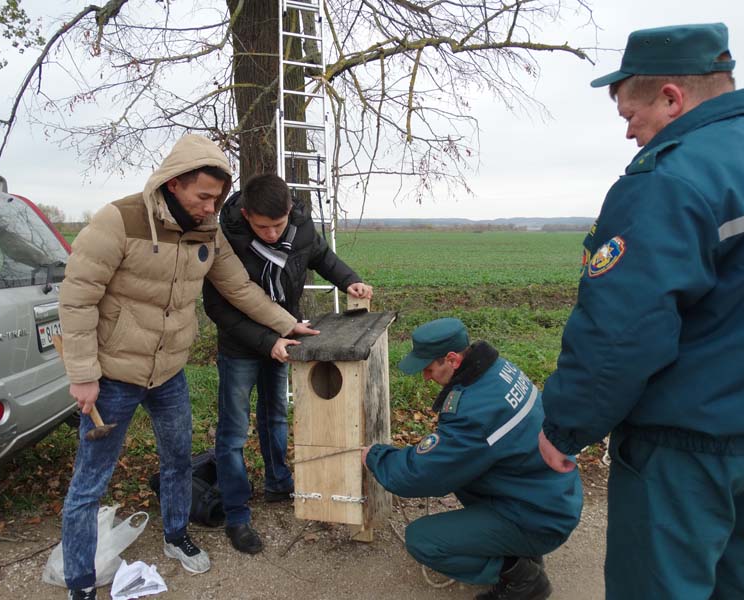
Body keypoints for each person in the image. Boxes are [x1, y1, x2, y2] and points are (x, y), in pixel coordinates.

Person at [538, 23, 744, 599]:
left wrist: (564, 426)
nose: (630, 132)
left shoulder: (671, 180)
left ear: (671, 97)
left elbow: (623, 331)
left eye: (631, 115)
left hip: (686, 448)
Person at [59, 135, 314, 600]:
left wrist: (289, 325)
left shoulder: (209, 231)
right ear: (173, 184)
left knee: (178, 461)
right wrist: (82, 374)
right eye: (203, 197)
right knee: (89, 483)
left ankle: (176, 534)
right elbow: (77, 298)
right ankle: (80, 582)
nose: (211, 206)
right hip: (113, 376)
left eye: (217, 198)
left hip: (169, 373)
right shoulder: (118, 220)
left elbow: (239, 288)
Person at [202, 173, 373, 554]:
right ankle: (236, 513)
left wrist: (350, 281)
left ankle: (279, 484)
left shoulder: (300, 227)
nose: (271, 233)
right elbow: (217, 306)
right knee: (233, 432)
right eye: (262, 226)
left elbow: (323, 257)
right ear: (245, 215)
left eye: (278, 225)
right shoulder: (224, 239)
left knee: (276, 415)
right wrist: (267, 340)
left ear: (289, 212)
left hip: (286, 337)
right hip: (241, 345)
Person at [362, 318, 582, 600]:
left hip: (540, 515)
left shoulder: (474, 411)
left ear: (452, 359)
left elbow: (421, 476)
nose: (426, 377)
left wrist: (376, 456)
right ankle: (519, 549)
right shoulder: (498, 370)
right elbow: (456, 451)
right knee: (465, 475)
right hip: (552, 493)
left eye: (429, 368)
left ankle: (522, 578)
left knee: (423, 540)